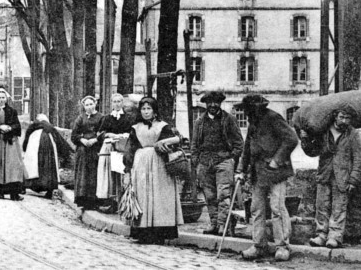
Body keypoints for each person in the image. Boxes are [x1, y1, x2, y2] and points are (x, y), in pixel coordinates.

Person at [234, 94, 299, 262]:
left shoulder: (273, 118)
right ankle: (259, 245)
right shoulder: (252, 123)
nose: (247, 113)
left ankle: (282, 246)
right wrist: (241, 169)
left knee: (277, 208)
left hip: (276, 172)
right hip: (258, 172)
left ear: (257, 108)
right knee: (256, 209)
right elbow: (247, 148)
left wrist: (277, 160)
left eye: (249, 110)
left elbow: (291, 139)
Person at [299, 108, 361, 249]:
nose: (345, 121)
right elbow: (312, 151)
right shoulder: (324, 131)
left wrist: (354, 179)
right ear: (335, 117)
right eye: (342, 117)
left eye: (347, 118)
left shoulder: (352, 134)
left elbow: (359, 158)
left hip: (343, 176)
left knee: (339, 207)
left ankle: (335, 237)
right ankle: (321, 235)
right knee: (321, 205)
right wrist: (304, 138)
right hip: (324, 173)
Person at [122, 97, 183, 244]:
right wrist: (127, 170)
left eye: (149, 109)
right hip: (141, 164)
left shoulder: (163, 126)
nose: (146, 112)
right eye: (143, 109)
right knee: (142, 196)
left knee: (160, 197)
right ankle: (143, 233)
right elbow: (130, 149)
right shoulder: (135, 128)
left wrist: (167, 144)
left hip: (159, 165)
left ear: (154, 111)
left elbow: (174, 143)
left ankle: (160, 232)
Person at [190, 91, 244, 236]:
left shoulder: (229, 120)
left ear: (220, 103)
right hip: (205, 162)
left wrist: (232, 158)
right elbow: (194, 145)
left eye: (216, 102)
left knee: (223, 194)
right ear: (206, 104)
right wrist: (196, 162)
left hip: (224, 161)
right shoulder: (199, 122)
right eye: (210, 103)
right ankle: (213, 223)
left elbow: (239, 144)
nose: (213, 105)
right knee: (209, 195)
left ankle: (223, 225)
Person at [0, 88, 26, 201]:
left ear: (6, 99)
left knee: (12, 166)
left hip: (9, 142)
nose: (1, 100)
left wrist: (10, 128)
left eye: (3, 98)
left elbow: (17, 125)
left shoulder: (12, 111)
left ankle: (14, 193)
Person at [96, 94, 136, 210]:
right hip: (109, 148)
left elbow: (132, 132)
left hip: (123, 147)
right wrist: (109, 134)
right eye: (115, 102)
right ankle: (110, 201)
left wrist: (125, 135)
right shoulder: (107, 118)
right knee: (109, 174)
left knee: (121, 172)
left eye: (119, 101)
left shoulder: (128, 117)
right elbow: (99, 134)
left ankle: (121, 201)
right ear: (112, 103)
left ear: (122, 103)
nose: (117, 104)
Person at [22, 114, 72, 199]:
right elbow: (60, 141)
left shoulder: (32, 127)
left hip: (34, 145)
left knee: (32, 165)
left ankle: (25, 186)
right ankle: (49, 189)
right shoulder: (50, 128)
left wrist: (25, 148)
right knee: (48, 166)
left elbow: (25, 141)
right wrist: (66, 153)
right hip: (48, 146)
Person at [71, 96, 103, 210]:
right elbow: (74, 135)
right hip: (83, 151)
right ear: (84, 106)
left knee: (93, 174)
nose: (89, 107)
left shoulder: (101, 117)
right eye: (86, 105)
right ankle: (82, 200)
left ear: (95, 104)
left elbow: (103, 132)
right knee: (83, 174)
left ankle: (93, 201)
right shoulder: (80, 118)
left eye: (91, 104)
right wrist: (82, 140)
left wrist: (95, 139)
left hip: (95, 150)